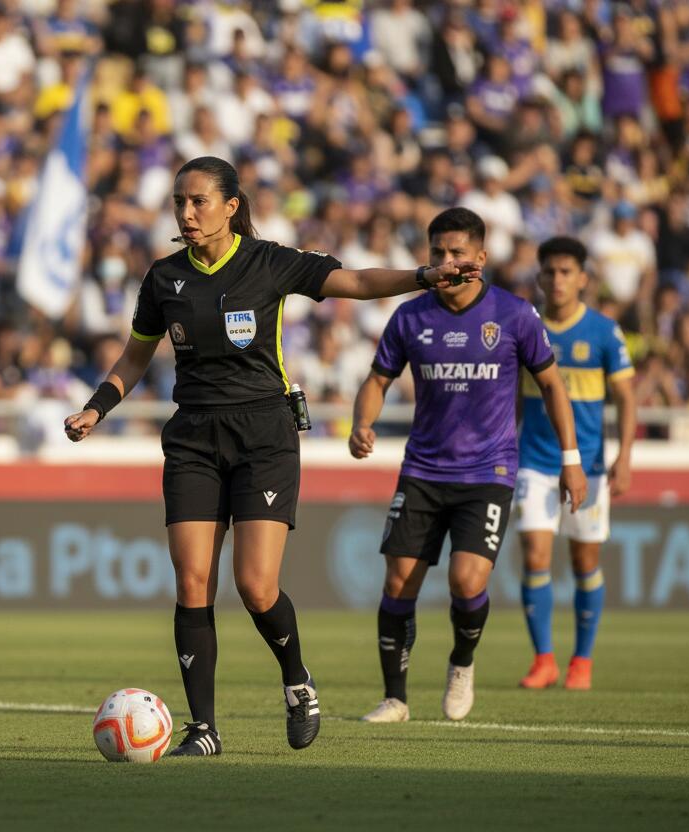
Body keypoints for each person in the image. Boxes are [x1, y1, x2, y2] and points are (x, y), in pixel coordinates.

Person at [64, 156, 483, 758]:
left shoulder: (269, 262)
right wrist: (95, 408)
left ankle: (297, 681)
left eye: (198, 201)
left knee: (256, 587)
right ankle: (203, 729)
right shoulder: (163, 278)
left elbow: (358, 282)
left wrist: (423, 276)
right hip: (192, 439)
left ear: (232, 206)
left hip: (263, 435)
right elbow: (136, 354)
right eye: (179, 201)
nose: (186, 212)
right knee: (192, 583)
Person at [349, 207, 588, 725]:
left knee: (465, 580)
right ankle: (395, 698)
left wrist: (572, 459)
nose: (447, 261)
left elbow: (552, 385)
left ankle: (461, 663)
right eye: (438, 252)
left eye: (457, 252)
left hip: (489, 472)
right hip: (423, 471)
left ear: (480, 257)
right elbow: (377, 380)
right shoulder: (410, 316)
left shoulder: (515, 314)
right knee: (397, 583)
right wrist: (361, 423)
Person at [516, 236, 635, 691]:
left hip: (589, 465)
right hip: (534, 460)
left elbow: (626, 397)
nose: (557, 279)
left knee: (584, 560)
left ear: (583, 278)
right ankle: (543, 659)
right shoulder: (526, 327)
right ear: (540, 277)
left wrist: (625, 455)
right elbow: (513, 398)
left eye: (567, 271)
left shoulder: (605, 332)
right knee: (535, 554)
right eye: (549, 271)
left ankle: (581, 661)